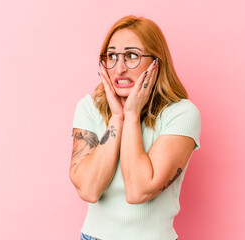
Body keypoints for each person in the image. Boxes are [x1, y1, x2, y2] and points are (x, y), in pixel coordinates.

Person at [69, 15, 201, 240]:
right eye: (111, 56)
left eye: (131, 56)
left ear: (156, 62)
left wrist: (130, 116)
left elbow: (139, 190)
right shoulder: (89, 108)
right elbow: (88, 190)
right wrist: (116, 119)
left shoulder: (181, 114)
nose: (119, 68)